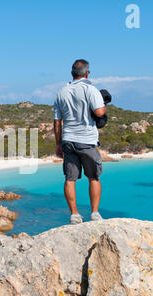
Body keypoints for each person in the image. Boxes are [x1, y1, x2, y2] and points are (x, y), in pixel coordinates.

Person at [53, 59, 107, 225]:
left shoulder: (61, 93)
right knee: (94, 177)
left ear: (72, 74)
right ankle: (95, 213)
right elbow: (99, 112)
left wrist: (58, 144)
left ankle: (74, 214)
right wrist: (104, 105)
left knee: (70, 179)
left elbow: (57, 122)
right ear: (87, 73)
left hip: (68, 139)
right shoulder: (91, 89)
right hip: (87, 140)